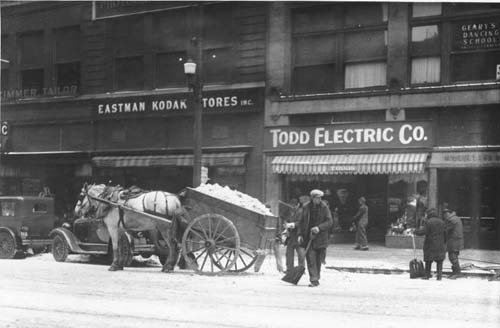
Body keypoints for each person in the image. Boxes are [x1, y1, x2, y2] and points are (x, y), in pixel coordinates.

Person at [297, 189, 333, 287]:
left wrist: (319, 228)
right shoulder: (306, 207)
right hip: (308, 237)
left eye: (320, 198)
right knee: (310, 258)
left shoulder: (324, 207)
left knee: (318, 260)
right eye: (317, 198)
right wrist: (300, 234)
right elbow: (301, 222)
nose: (319, 199)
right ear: (312, 198)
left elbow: (329, 222)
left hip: (320, 238)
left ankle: (316, 277)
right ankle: (313, 279)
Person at [413, 208, 446, 280]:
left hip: (430, 244)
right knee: (439, 261)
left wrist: (415, 231)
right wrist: (444, 242)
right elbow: (445, 234)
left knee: (428, 260)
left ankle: (427, 275)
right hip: (440, 244)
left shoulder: (428, 222)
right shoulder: (442, 222)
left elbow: (423, 232)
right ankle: (439, 276)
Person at [283, 199, 306, 274]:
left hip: (299, 234)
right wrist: (286, 226)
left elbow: (301, 222)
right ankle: (289, 269)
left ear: (298, 205)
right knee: (289, 253)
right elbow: (287, 220)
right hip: (291, 235)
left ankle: (301, 269)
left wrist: (293, 224)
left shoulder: (301, 212)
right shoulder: (291, 211)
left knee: (301, 253)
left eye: (294, 206)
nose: (293, 207)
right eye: (292, 206)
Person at [443, 207, 464, 279]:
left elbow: (446, 230)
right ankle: (455, 272)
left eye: (445, 214)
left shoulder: (451, 220)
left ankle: (457, 273)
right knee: (454, 257)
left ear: (448, 213)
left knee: (453, 257)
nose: (444, 216)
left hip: (454, 241)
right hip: (456, 241)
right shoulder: (456, 218)